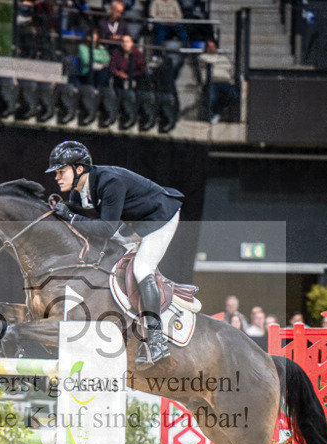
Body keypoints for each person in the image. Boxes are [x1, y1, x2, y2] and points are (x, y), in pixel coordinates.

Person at [47, 140, 183, 369]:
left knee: (142, 268)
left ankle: (155, 337)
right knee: (110, 254)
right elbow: (87, 228)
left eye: (61, 171)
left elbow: (104, 229)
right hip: (136, 222)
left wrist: (70, 217)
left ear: (79, 169)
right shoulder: (78, 191)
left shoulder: (111, 182)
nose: (57, 177)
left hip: (160, 218)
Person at [199, 38, 239, 123]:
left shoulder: (223, 57)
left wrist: (216, 64)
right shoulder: (202, 57)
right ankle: (214, 113)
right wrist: (218, 63)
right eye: (209, 46)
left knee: (234, 97)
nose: (211, 48)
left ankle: (218, 111)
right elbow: (208, 62)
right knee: (213, 98)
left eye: (213, 46)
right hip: (212, 82)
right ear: (206, 48)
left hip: (225, 82)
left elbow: (229, 66)